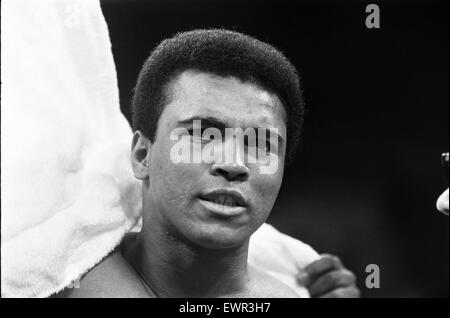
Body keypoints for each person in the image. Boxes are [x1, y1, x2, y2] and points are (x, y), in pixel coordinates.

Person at [56, 29, 359, 298]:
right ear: (142, 156)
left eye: (261, 145)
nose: (233, 164)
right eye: (203, 134)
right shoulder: (55, 282)